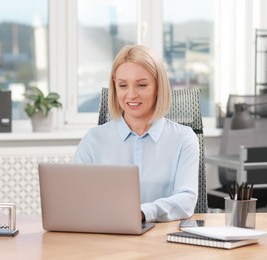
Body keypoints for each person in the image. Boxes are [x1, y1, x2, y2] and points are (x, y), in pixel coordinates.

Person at [73, 44, 199, 222]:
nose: (131, 95)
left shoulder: (184, 139)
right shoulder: (93, 140)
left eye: (141, 85)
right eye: (123, 85)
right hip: (106, 236)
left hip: (163, 240)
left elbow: (186, 200)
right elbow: (73, 197)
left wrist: (142, 213)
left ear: (158, 88)